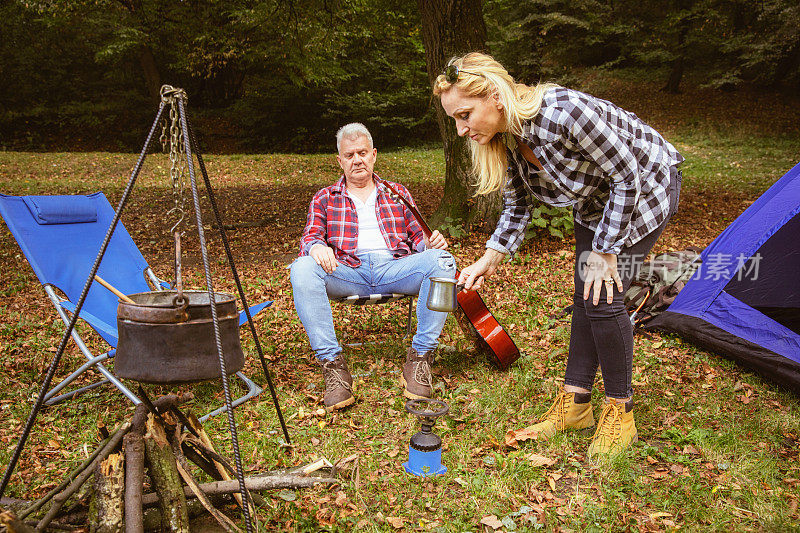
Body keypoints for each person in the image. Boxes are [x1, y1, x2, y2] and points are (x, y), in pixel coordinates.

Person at [432, 53, 683, 459]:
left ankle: (621, 411)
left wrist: (605, 252)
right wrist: (488, 258)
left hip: (645, 185)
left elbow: (626, 175)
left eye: (465, 115)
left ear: (495, 96)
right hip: (597, 201)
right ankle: (576, 405)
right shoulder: (507, 140)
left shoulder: (564, 113)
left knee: (604, 296)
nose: (461, 130)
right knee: (586, 294)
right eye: (454, 121)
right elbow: (517, 206)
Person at [290, 123, 456, 412]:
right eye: (350, 154)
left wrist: (430, 244)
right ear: (339, 160)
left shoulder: (397, 193)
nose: (357, 160)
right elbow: (311, 236)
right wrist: (317, 247)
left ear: (374, 155)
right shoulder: (325, 197)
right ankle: (334, 368)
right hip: (346, 272)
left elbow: (418, 237)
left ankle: (420, 357)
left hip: (395, 269)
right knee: (301, 268)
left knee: (443, 260)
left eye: (363, 153)